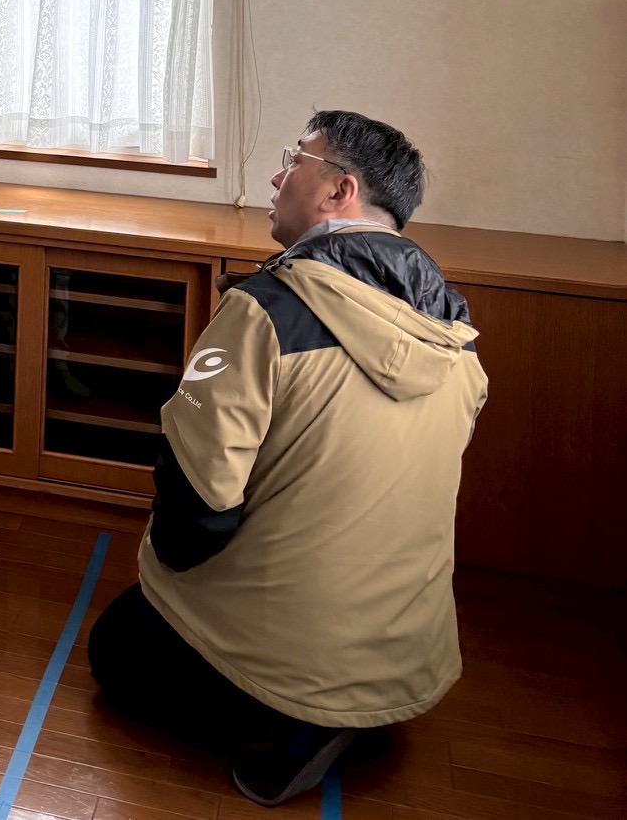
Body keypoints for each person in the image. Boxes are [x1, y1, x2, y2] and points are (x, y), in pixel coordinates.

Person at [87, 110, 487, 808]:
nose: (276, 177)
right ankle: (358, 716)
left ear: (339, 191)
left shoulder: (264, 310)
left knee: (116, 646)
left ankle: (287, 724)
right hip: (407, 657)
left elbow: (196, 513)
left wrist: (165, 573)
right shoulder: (453, 331)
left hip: (292, 657)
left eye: (293, 160)